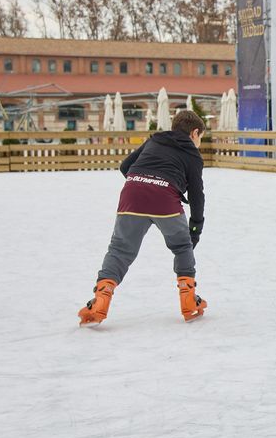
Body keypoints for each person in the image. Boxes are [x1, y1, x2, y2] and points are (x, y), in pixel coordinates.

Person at [77, 109, 208, 326]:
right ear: (194, 133)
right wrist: (196, 228)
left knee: (119, 250)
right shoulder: (192, 155)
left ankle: (100, 300)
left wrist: (142, 181)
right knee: (182, 246)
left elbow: (125, 166)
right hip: (165, 197)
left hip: (132, 194)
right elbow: (197, 194)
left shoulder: (154, 141)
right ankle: (188, 301)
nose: (199, 142)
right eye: (200, 137)